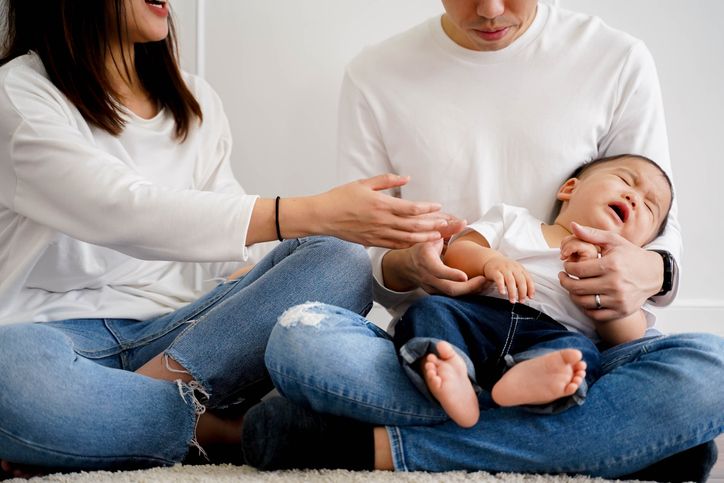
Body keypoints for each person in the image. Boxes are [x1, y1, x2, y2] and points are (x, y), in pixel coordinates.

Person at [240, 0, 724, 480]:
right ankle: (617, 440)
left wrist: (637, 278)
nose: (490, 10)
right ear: (570, 188)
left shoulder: (616, 58)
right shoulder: (375, 75)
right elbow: (365, 253)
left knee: (712, 369)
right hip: (453, 335)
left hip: (569, 346)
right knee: (300, 338)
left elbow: (659, 219)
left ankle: (374, 446)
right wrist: (414, 264)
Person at [0, 0, 449, 477]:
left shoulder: (194, 99)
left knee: (339, 259)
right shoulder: (18, 94)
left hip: (190, 343)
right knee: (10, 373)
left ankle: (108, 422)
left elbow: (232, 244)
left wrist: (266, 281)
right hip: (54, 337)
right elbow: (122, 209)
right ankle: (224, 433)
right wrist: (311, 211)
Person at [394, 154, 673, 428]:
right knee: (431, 309)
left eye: (649, 207)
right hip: (480, 318)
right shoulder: (513, 219)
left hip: (552, 335)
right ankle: (452, 368)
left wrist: (604, 293)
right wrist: (491, 261)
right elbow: (457, 253)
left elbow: (628, 337)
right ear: (570, 189)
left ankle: (527, 378)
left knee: (580, 355)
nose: (635, 199)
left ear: (642, 246)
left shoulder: (620, 275)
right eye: (625, 180)